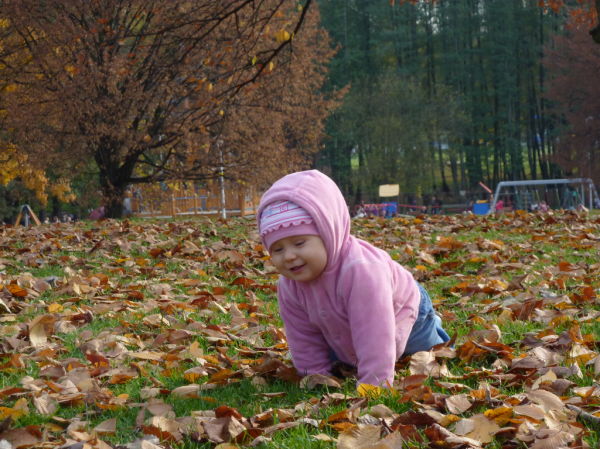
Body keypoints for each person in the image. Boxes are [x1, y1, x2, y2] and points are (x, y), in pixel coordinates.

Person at [257, 170, 450, 387]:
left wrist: (373, 385)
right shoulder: (289, 285)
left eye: (300, 243)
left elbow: (375, 335)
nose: (289, 256)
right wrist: (316, 376)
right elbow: (301, 334)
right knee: (342, 356)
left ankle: (434, 328)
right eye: (278, 249)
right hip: (339, 324)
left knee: (422, 352)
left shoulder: (361, 271)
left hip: (401, 312)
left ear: (328, 232)